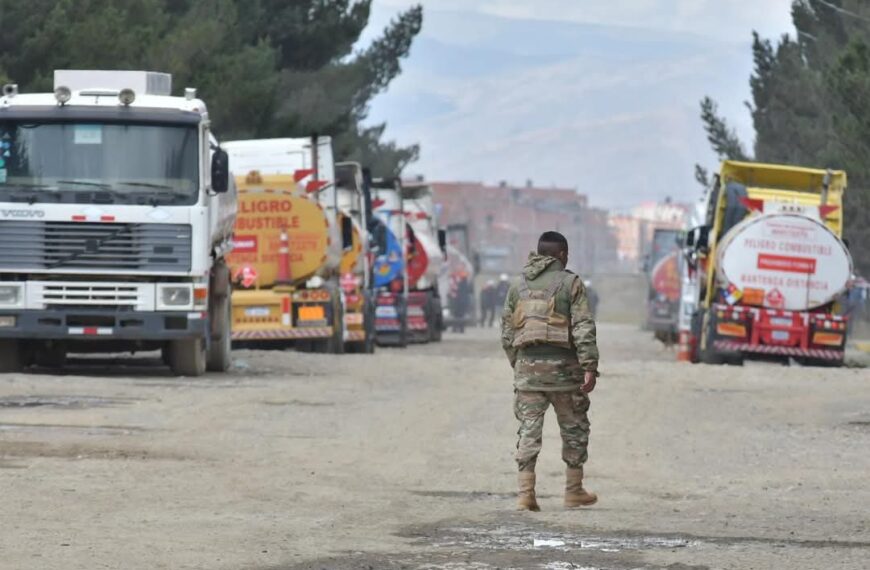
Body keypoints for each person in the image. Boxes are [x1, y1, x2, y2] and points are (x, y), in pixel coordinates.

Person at [501, 231, 599, 511]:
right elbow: (582, 327)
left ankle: (526, 495)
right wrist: (590, 366)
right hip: (565, 375)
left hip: (528, 374)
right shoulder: (571, 283)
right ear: (563, 255)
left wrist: (519, 364)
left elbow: (507, 333)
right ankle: (573, 491)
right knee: (574, 429)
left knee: (528, 431)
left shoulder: (517, 286)